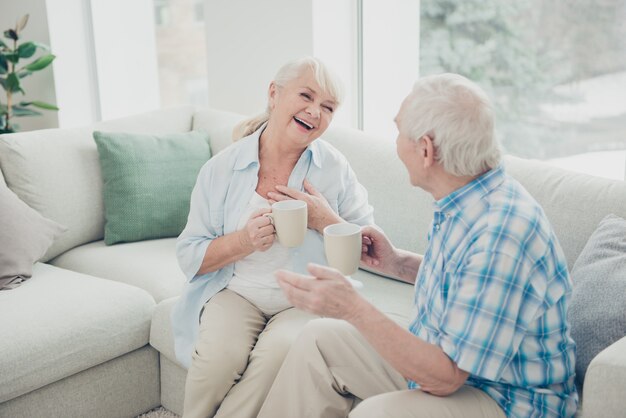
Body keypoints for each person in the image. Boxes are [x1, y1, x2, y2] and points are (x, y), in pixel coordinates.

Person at [258, 73, 578, 418]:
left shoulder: (500, 234)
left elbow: (446, 377)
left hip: (503, 400)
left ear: (426, 150)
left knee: (374, 414)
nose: (395, 143)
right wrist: (397, 263)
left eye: (399, 132)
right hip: (450, 365)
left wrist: (352, 307)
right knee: (319, 339)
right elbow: (469, 283)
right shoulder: (469, 195)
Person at [170, 56, 374, 418]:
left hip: (304, 299)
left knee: (277, 357)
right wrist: (243, 241)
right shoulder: (221, 168)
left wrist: (325, 219)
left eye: (327, 107)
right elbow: (189, 256)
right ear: (274, 94)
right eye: (306, 96)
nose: (314, 112)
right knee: (217, 361)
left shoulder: (334, 168)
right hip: (236, 293)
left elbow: (370, 249)